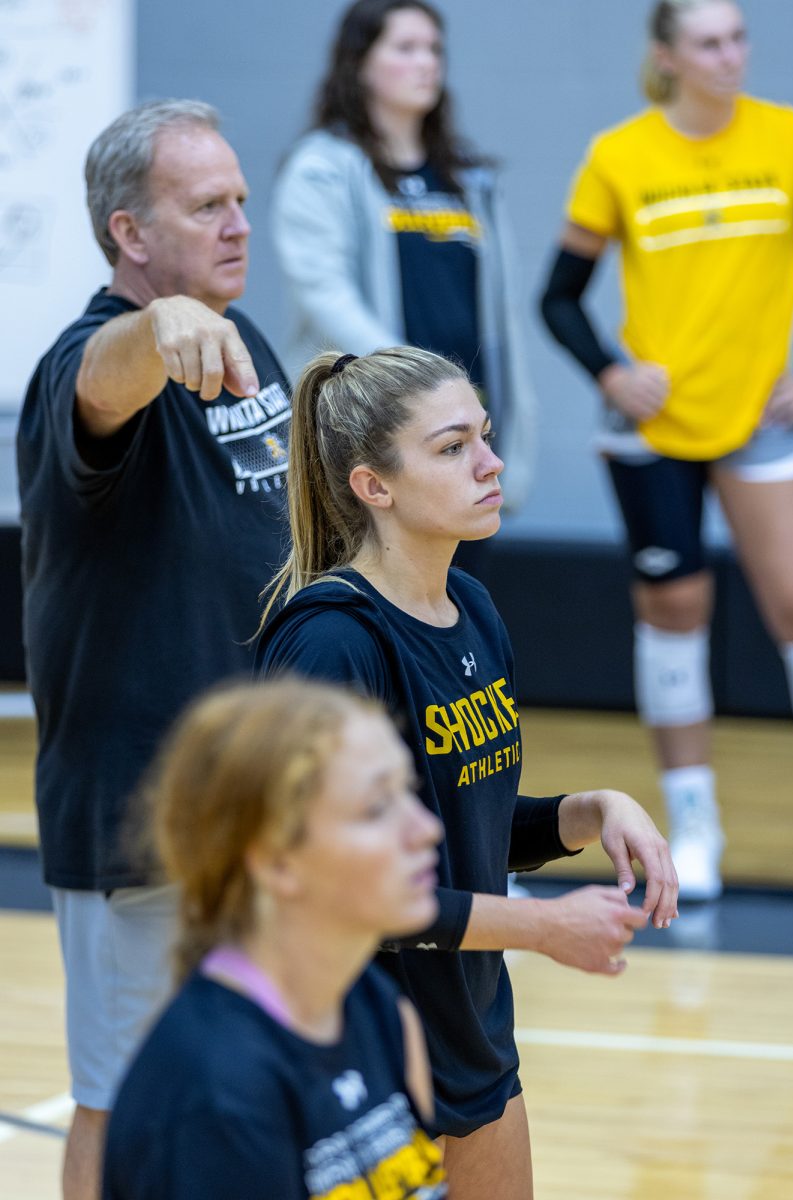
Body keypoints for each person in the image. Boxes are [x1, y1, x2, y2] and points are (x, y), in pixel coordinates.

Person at [256, 346, 679, 1200]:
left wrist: (592, 811)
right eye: (452, 448)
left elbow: (463, 827)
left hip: (474, 1039)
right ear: (374, 486)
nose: (490, 462)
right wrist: (540, 930)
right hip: (359, 1061)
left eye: (484, 436)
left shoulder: (473, 610)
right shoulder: (332, 645)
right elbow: (335, 890)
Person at [16, 100, 291, 1200]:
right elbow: (103, 378)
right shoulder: (87, 363)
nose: (237, 225)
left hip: (260, 801)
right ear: (130, 233)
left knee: (250, 1088)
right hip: (142, 813)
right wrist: (153, 330)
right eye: (205, 205)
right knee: (123, 1096)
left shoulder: (245, 340)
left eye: (239, 200)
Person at [539, 0, 793, 901]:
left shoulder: (786, 139)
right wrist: (612, 374)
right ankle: (696, 825)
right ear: (667, 56)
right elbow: (560, 297)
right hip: (654, 435)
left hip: (760, 425)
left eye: (737, 38)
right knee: (676, 614)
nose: (730, 55)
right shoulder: (622, 155)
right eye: (708, 41)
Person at [103, 677, 447, 1199]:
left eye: (410, 791)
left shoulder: (373, 1007)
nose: (426, 829)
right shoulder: (216, 1097)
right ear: (276, 861)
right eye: (378, 807)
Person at [271, 0, 535, 527]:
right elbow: (325, 292)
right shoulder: (322, 167)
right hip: (377, 424)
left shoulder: (470, 177)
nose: (427, 63)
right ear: (360, 62)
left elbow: (501, 313)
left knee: (455, 596)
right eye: (406, 48)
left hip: (462, 421)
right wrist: (411, 384)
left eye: (434, 49)